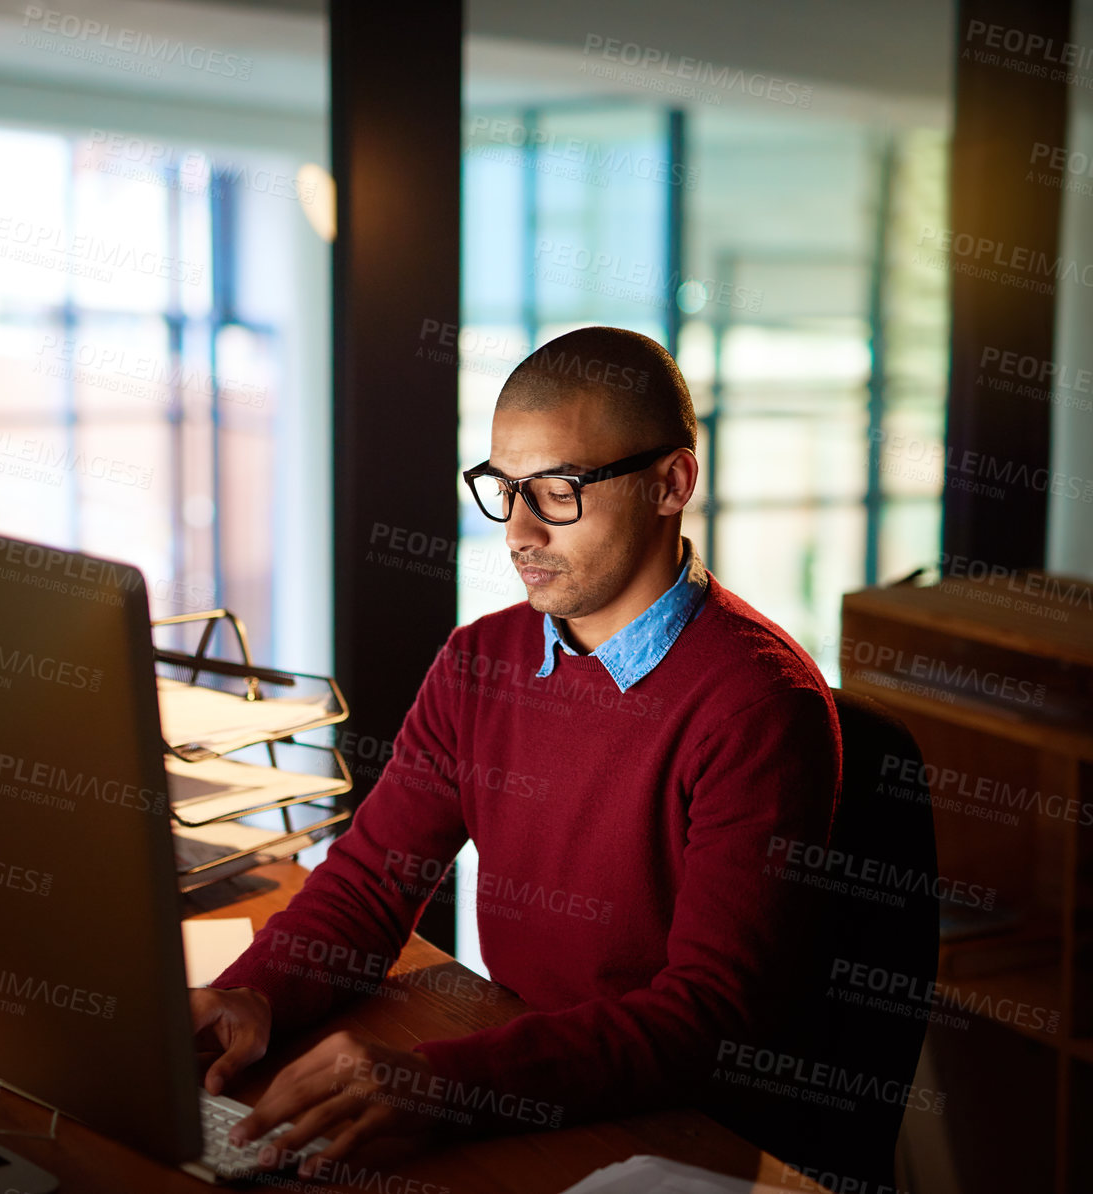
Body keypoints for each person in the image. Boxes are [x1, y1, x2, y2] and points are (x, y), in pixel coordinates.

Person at [191, 325, 841, 1175]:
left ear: (670, 483)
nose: (519, 533)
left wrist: (444, 1085)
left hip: (676, 1137)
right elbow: (371, 882)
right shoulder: (480, 662)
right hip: (527, 1077)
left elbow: (704, 1022)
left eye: (559, 490)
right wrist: (257, 989)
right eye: (506, 489)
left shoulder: (760, 706)